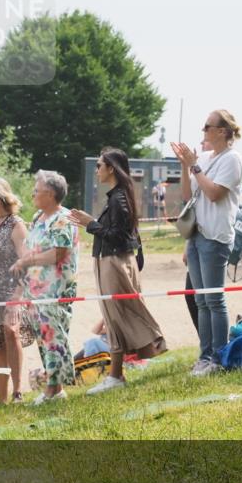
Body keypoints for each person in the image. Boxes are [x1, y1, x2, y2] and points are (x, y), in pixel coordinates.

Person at [70, 147, 166, 394]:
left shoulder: (118, 198)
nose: (98, 170)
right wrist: (93, 222)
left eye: (101, 165)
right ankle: (116, 374)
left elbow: (118, 236)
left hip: (115, 263)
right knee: (115, 316)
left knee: (118, 314)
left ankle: (118, 374)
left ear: (111, 168)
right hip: (110, 261)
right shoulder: (118, 196)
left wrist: (90, 223)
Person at [171, 109, 242, 376]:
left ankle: (218, 356)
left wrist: (195, 166)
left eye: (207, 126)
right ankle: (205, 356)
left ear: (222, 131)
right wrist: (185, 165)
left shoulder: (232, 159)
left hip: (215, 236)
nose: (203, 131)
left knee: (214, 299)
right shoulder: (202, 158)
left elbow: (214, 193)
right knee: (201, 300)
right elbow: (187, 194)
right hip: (196, 234)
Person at [11, 170, 79, 404]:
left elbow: (59, 253)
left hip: (55, 289)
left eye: (36, 190)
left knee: (53, 337)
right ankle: (53, 386)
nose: (32, 194)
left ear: (50, 194)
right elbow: (34, 247)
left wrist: (27, 261)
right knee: (43, 338)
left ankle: (54, 389)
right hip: (36, 289)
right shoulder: (40, 216)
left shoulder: (63, 218)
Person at [0, 177, 29, 403]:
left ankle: (18, 391)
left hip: (12, 289)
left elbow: (26, 260)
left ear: (0, 197)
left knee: (12, 334)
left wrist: (18, 295)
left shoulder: (16, 223)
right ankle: (2, 396)